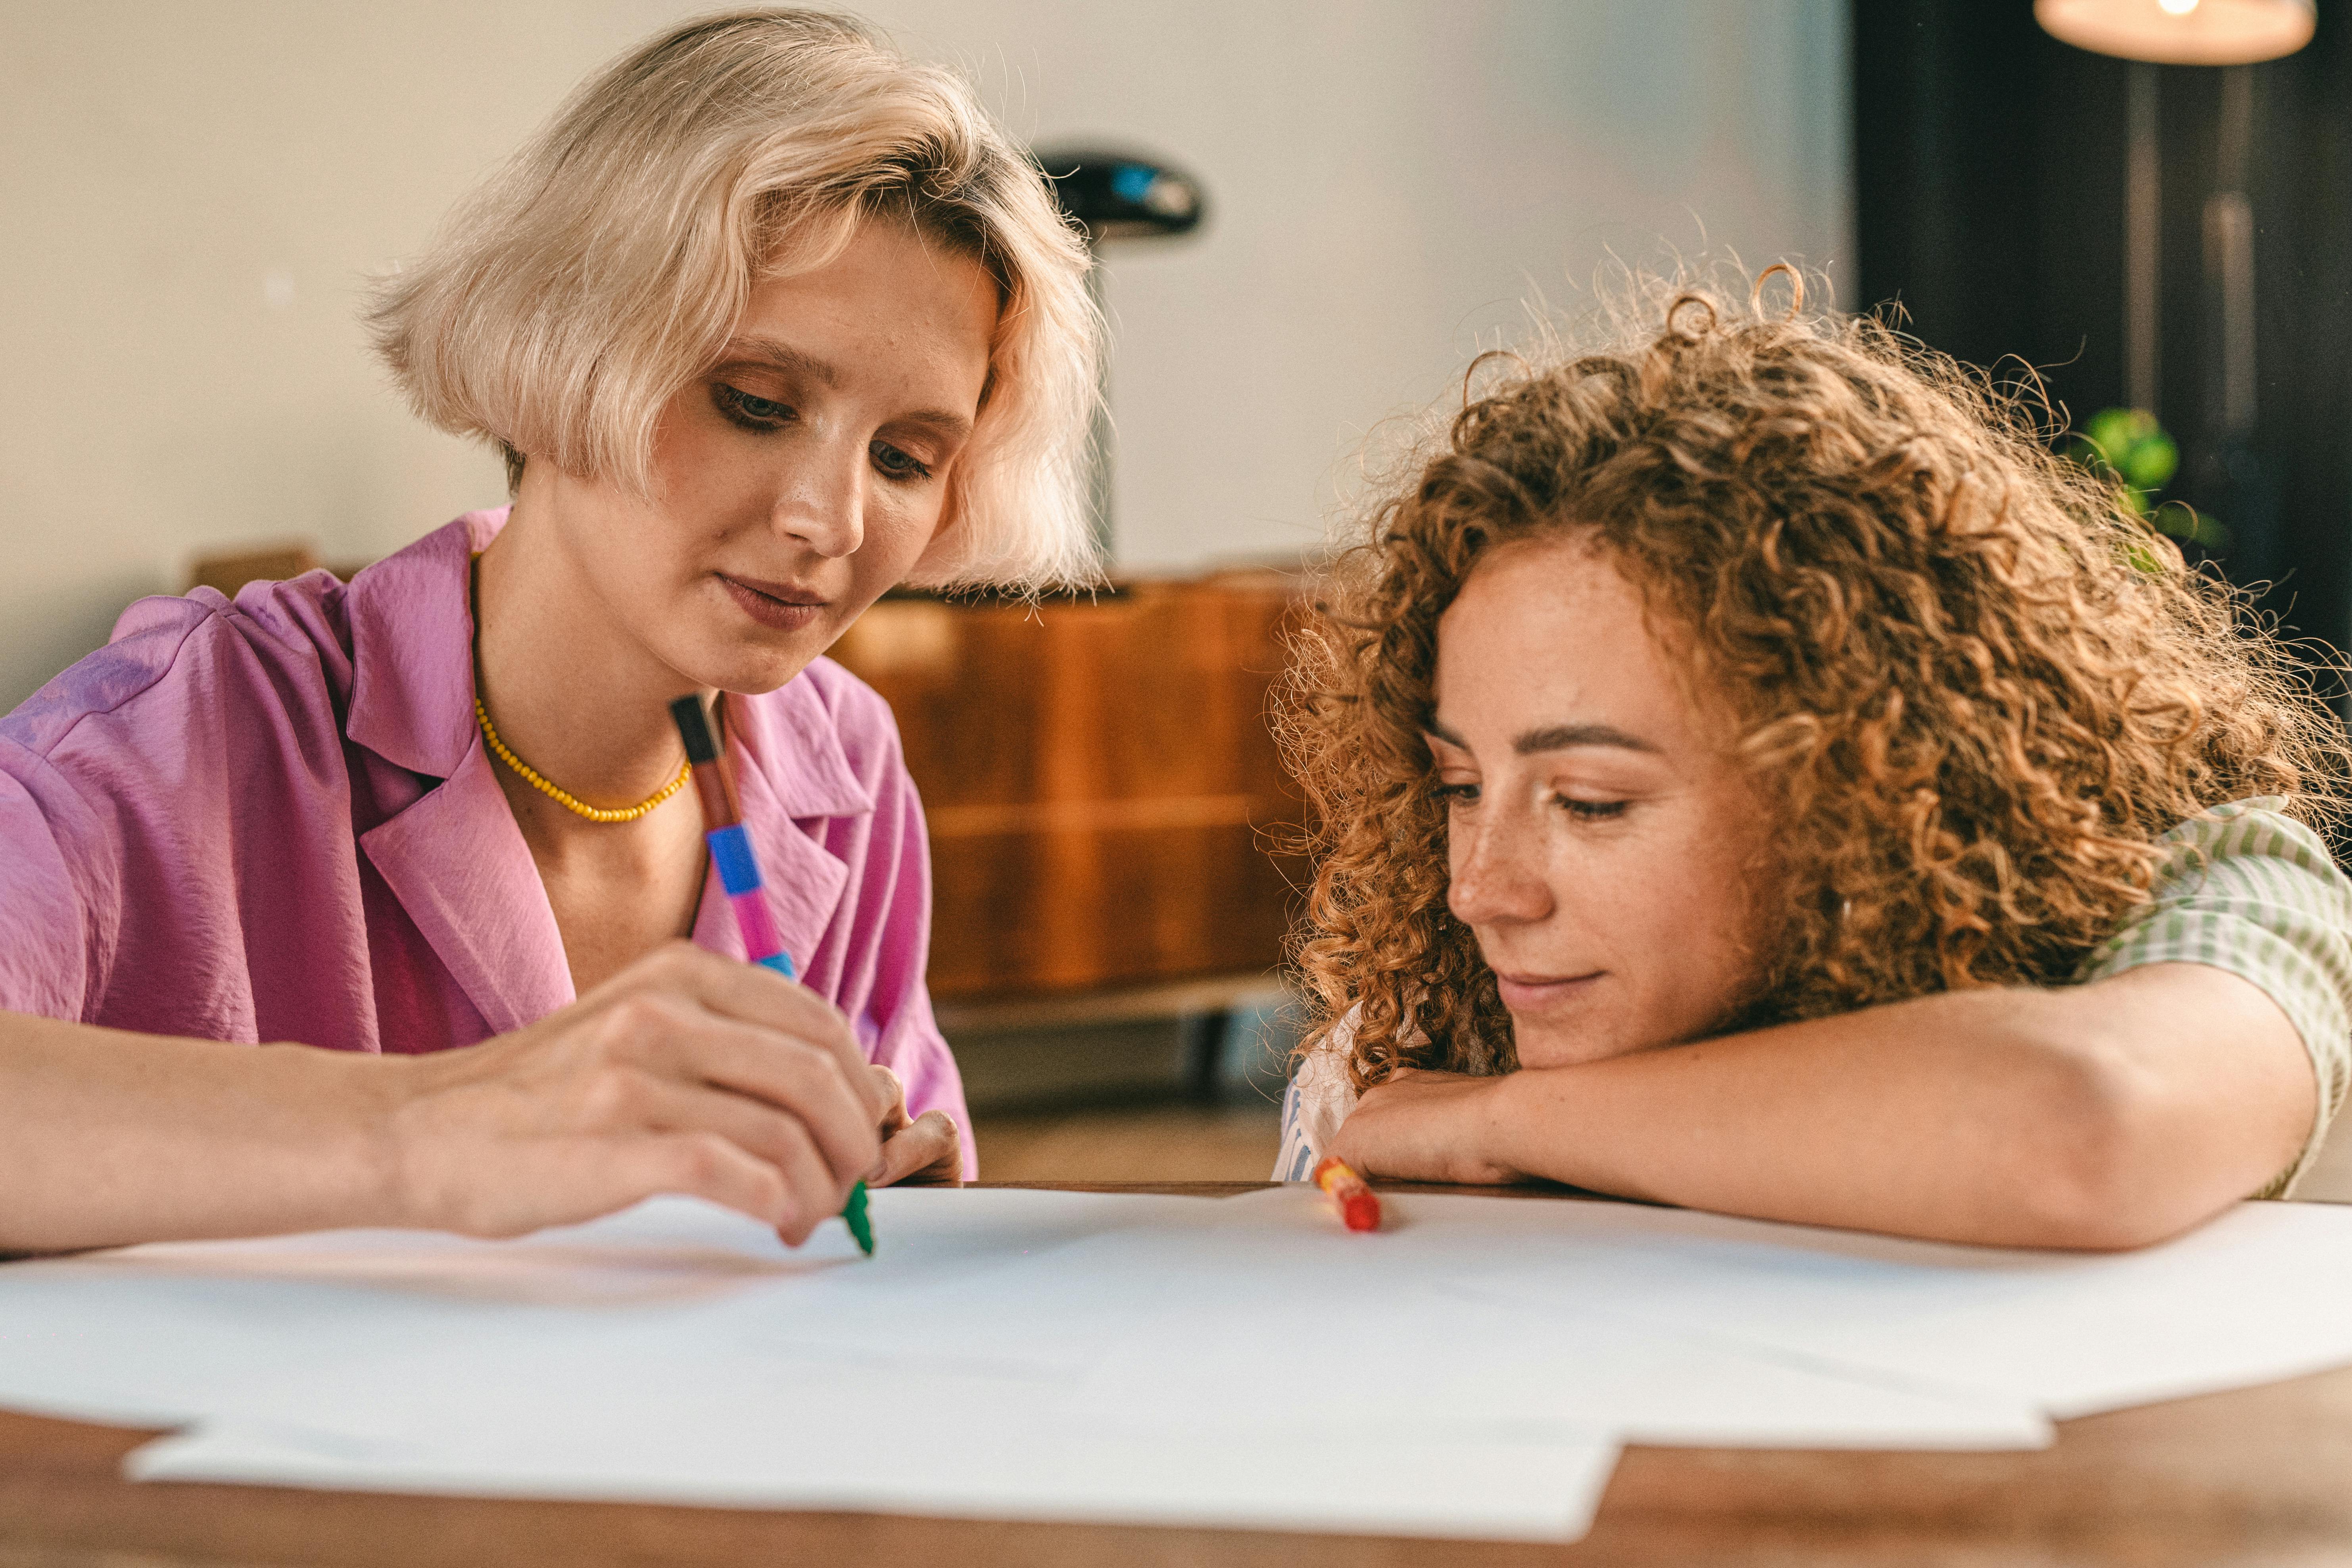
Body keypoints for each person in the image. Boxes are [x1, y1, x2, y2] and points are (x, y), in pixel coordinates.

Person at [0, 9, 1098, 1253]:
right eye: (753, 402)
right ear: (569, 343)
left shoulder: (845, 772)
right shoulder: (175, 736)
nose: (829, 520)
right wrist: (435, 1129)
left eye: (905, 459)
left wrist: (899, 1197)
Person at [1274, 273, 2352, 1250]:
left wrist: (1499, 1123)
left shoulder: (2222, 886)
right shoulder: (1433, 1004)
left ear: (1863, 777)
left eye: (1593, 802)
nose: (1479, 888)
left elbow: (2081, 1126)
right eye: (1460, 786)